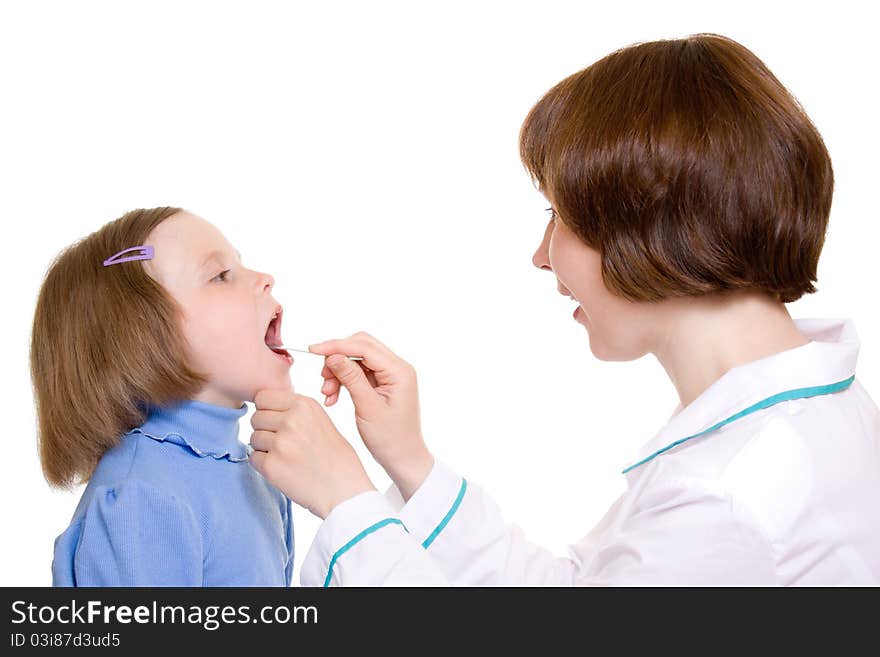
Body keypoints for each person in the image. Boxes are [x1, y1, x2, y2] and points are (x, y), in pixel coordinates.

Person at [248, 34, 880, 585]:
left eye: (559, 215)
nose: (541, 256)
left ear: (648, 222)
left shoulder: (730, 492)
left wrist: (348, 505)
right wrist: (408, 460)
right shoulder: (806, 419)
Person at [32, 207, 295, 586]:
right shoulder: (141, 499)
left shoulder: (260, 475)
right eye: (220, 275)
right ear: (141, 337)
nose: (265, 279)